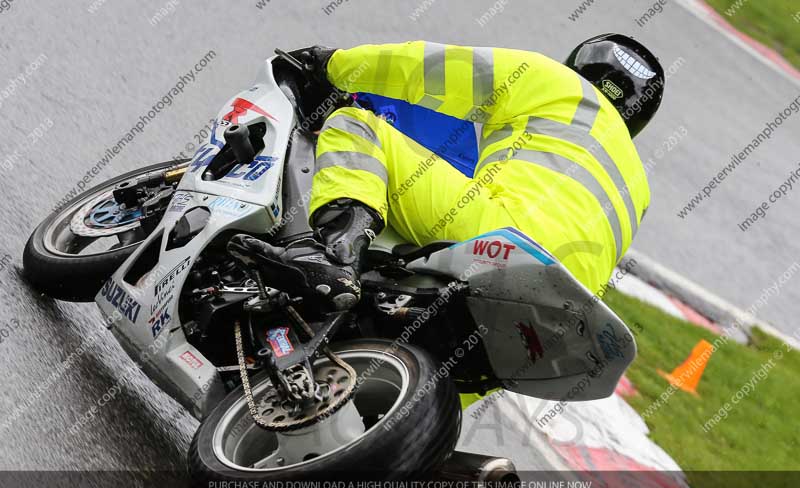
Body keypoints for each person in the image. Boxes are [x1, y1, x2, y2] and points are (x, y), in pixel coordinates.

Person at [230, 35, 664, 310]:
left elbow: (432, 68)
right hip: (569, 301)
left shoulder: (561, 85)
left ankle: (336, 255)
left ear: (576, 67)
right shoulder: (639, 187)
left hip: (503, 235)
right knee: (470, 364)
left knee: (355, 124)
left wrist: (330, 65)